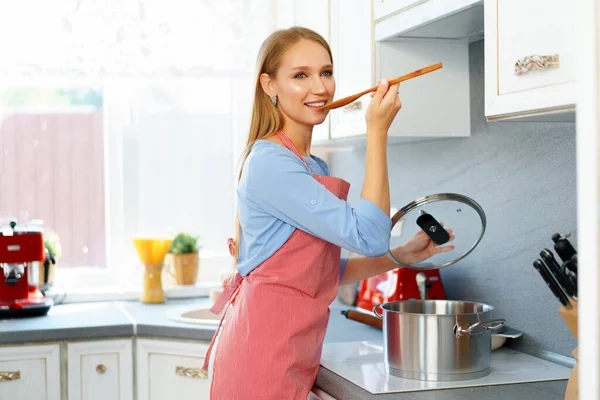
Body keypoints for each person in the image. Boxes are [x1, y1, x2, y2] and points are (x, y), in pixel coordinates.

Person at [202, 26, 455, 399]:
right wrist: (377, 132)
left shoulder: (309, 165)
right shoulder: (272, 163)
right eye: (300, 75)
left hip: (289, 348)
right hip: (261, 357)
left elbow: (321, 273)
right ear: (269, 85)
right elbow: (368, 237)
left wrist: (400, 256)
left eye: (326, 72)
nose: (320, 88)